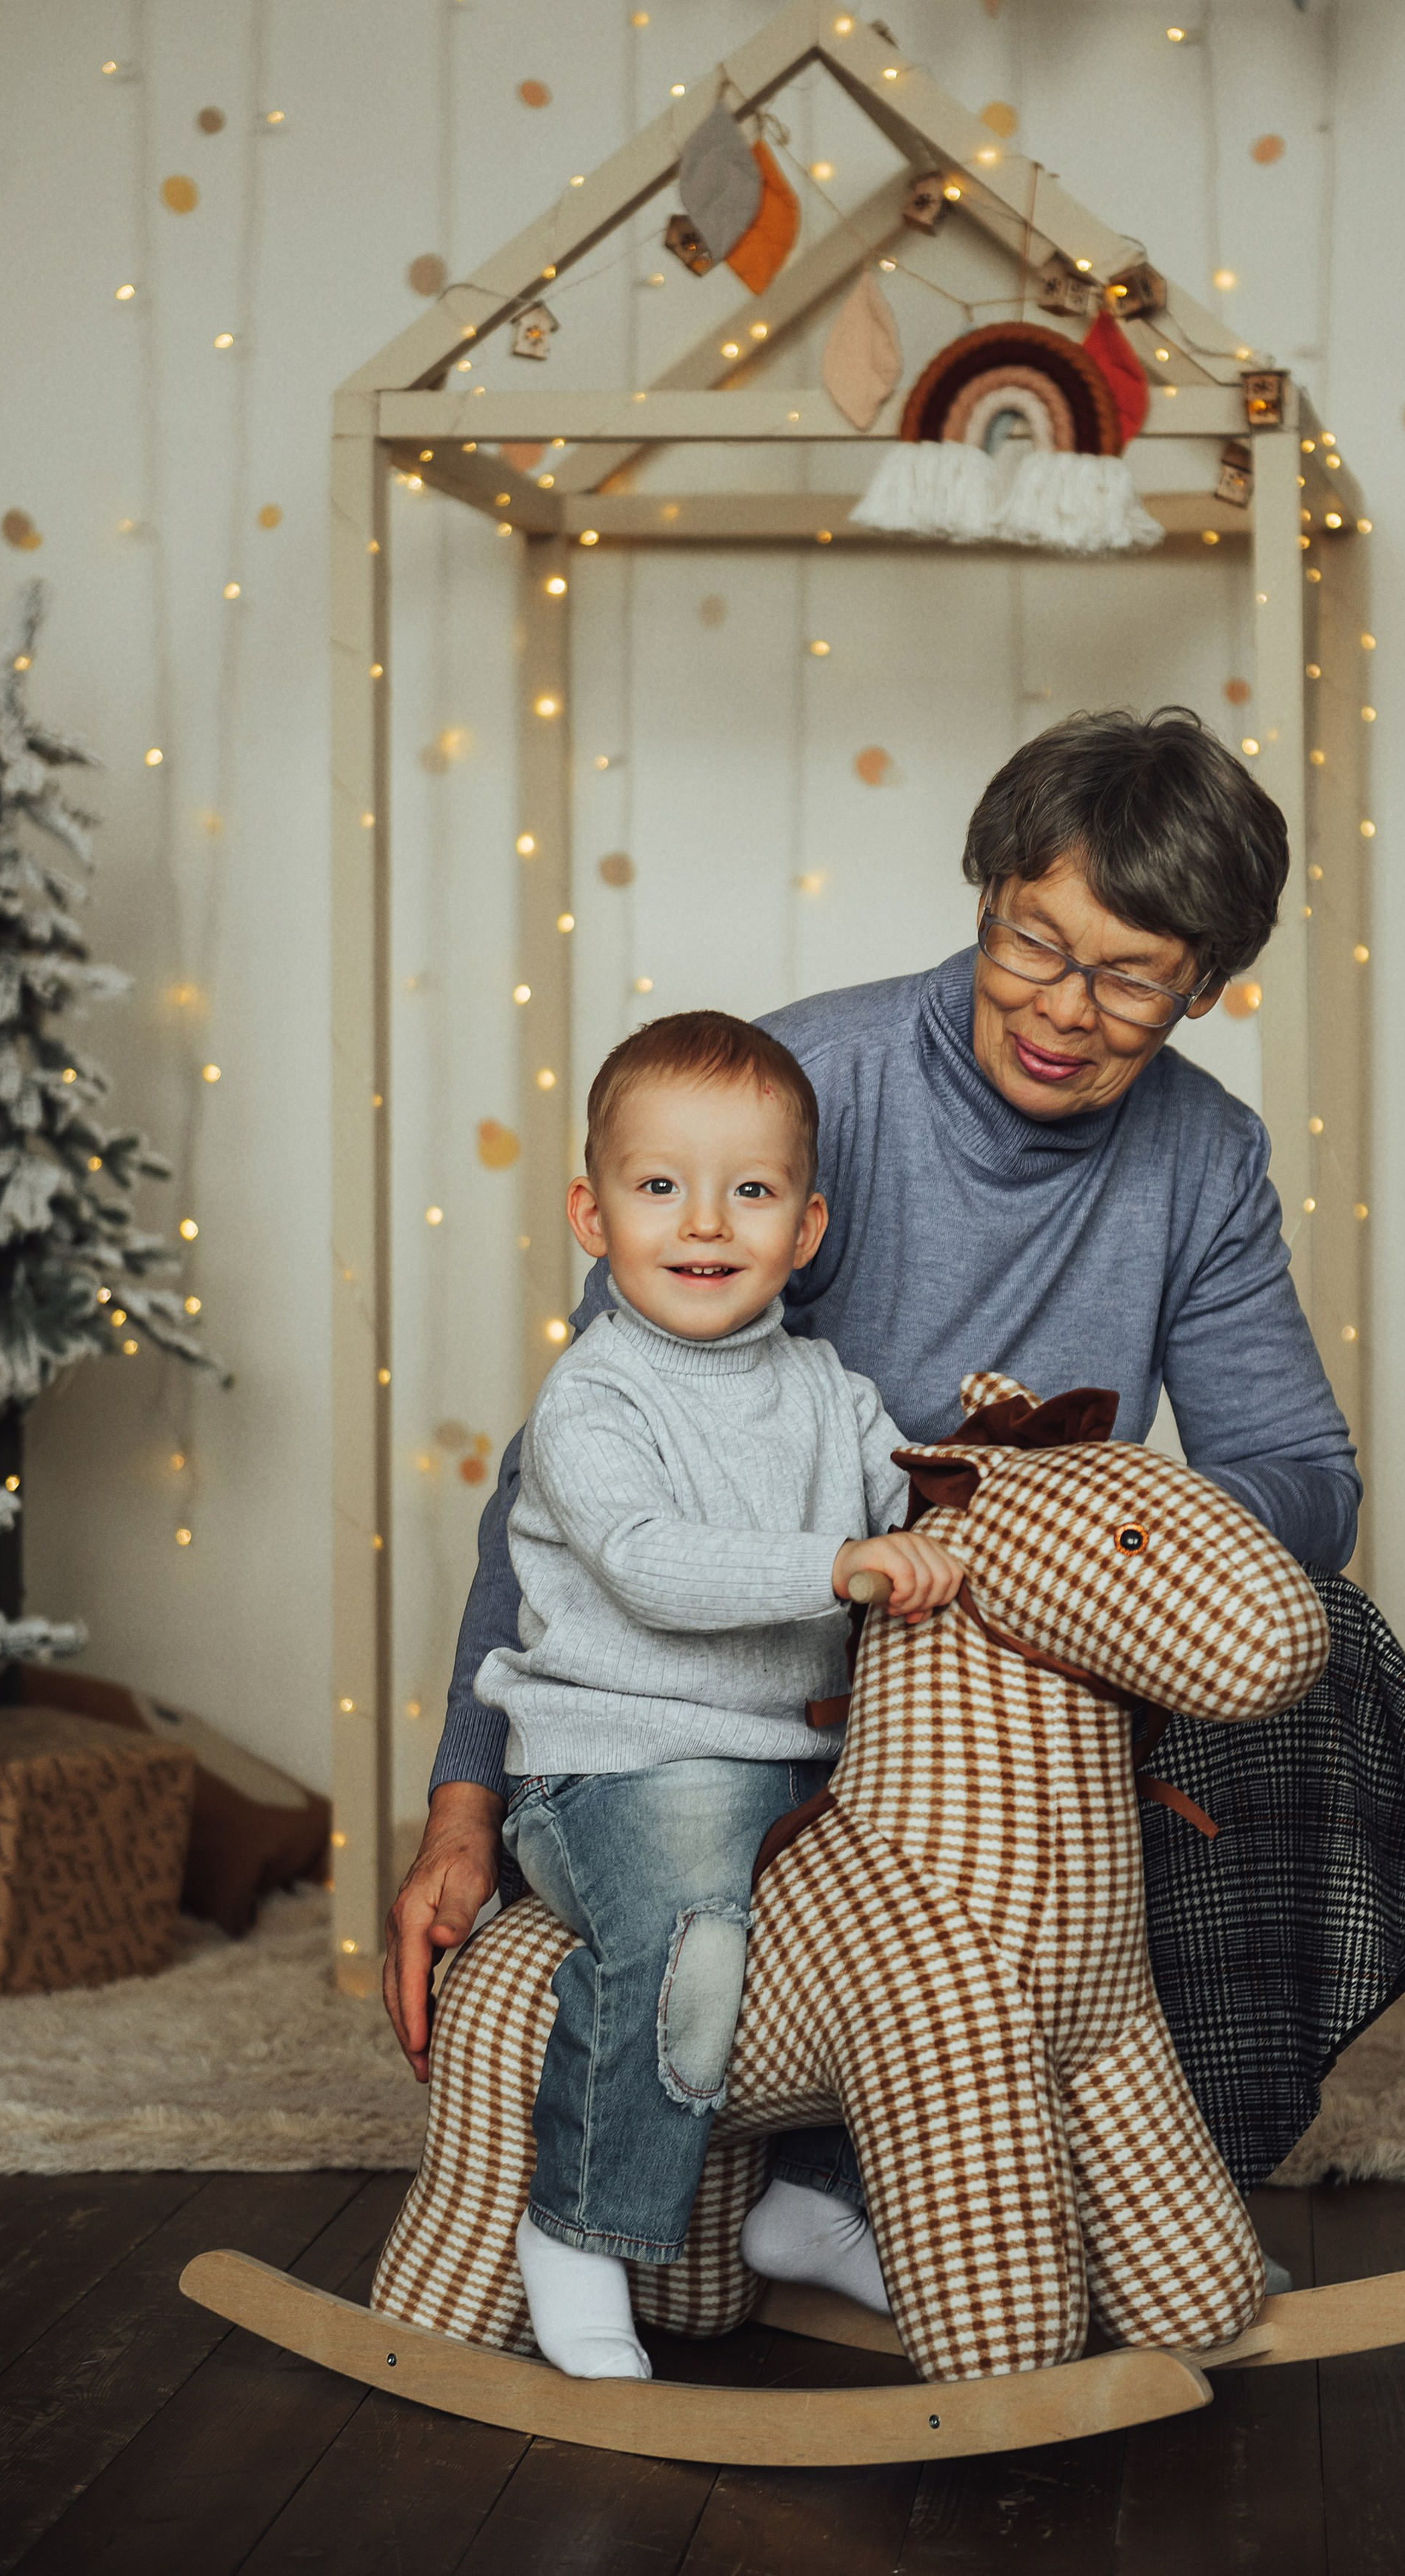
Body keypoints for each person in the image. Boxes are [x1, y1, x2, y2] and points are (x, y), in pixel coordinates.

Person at [387, 705, 1405, 2206]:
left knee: (1322, 1644)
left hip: (1020, 1649)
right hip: (783, 1646)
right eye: (1034, 942)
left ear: (1207, 986)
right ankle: (828, 2178)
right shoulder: (804, 1089)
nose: (1065, 1008)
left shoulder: (1205, 1155)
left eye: (1132, 976)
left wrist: (1052, 1524)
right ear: (986, 894)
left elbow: (1305, 1483)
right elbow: (571, 1470)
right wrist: (462, 1805)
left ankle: (1152, 2160)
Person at [487, 1008, 963, 2379]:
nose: (705, 1222)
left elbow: (913, 1507)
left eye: (750, 1191)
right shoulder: (595, 1397)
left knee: (914, 1922)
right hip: (621, 1768)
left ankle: (818, 2200)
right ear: (592, 1215)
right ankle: (579, 2229)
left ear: (805, 1230)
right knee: (700, 1943)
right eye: (660, 1187)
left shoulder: (829, 1389)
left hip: (798, 1765)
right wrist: (840, 1565)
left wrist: (977, 1499)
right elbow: (647, 1565)